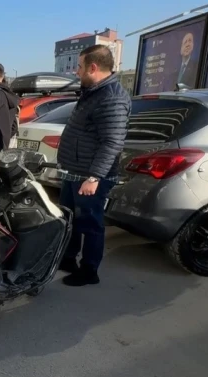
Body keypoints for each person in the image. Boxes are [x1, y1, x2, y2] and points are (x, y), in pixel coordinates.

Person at [55, 45, 131, 287]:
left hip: (90, 176)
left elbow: (112, 141)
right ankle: (68, 259)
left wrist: (94, 177)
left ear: (93, 67)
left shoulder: (112, 98)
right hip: (75, 171)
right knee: (70, 219)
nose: (77, 71)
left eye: (79, 66)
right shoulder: (94, 91)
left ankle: (89, 271)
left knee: (90, 224)